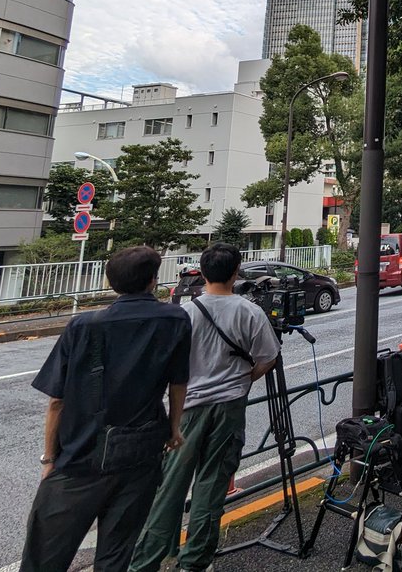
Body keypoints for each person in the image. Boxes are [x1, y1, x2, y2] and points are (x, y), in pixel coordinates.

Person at [19, 248, 191, 572]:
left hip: (79, 460)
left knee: (45, 556)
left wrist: (48, 458)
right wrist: (174, 427)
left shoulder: (82, 326)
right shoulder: (175, 319)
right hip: (140, 457)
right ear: (153, 281)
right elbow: (178, 383)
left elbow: (57, 401)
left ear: (112, 283)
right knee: (116, 555)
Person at [129, 244, 280, 572]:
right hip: (228, 408)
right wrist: (243, 379)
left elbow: (167, 367)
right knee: (211, 487)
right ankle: (194, 562)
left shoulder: (184, 313)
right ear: (236, 272)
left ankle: (145, 562)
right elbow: (269, 356)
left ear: (203, 271)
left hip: (186, 410)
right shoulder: (249, 312)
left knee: (169, 489)